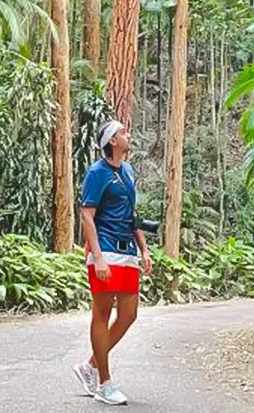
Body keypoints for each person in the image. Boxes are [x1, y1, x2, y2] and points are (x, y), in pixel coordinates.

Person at [72, 120, 152, 406]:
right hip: (104, 250)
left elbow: (132, 214)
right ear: (111, 142)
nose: (128, 135)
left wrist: (143, 249)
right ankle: (105, 383)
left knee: (129, 314)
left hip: (127, 250)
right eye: (122, 132)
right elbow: (87, 216)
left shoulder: (128, 171)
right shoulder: (96, 173)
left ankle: (90, 366)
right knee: (102, 314)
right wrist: (99, 258)